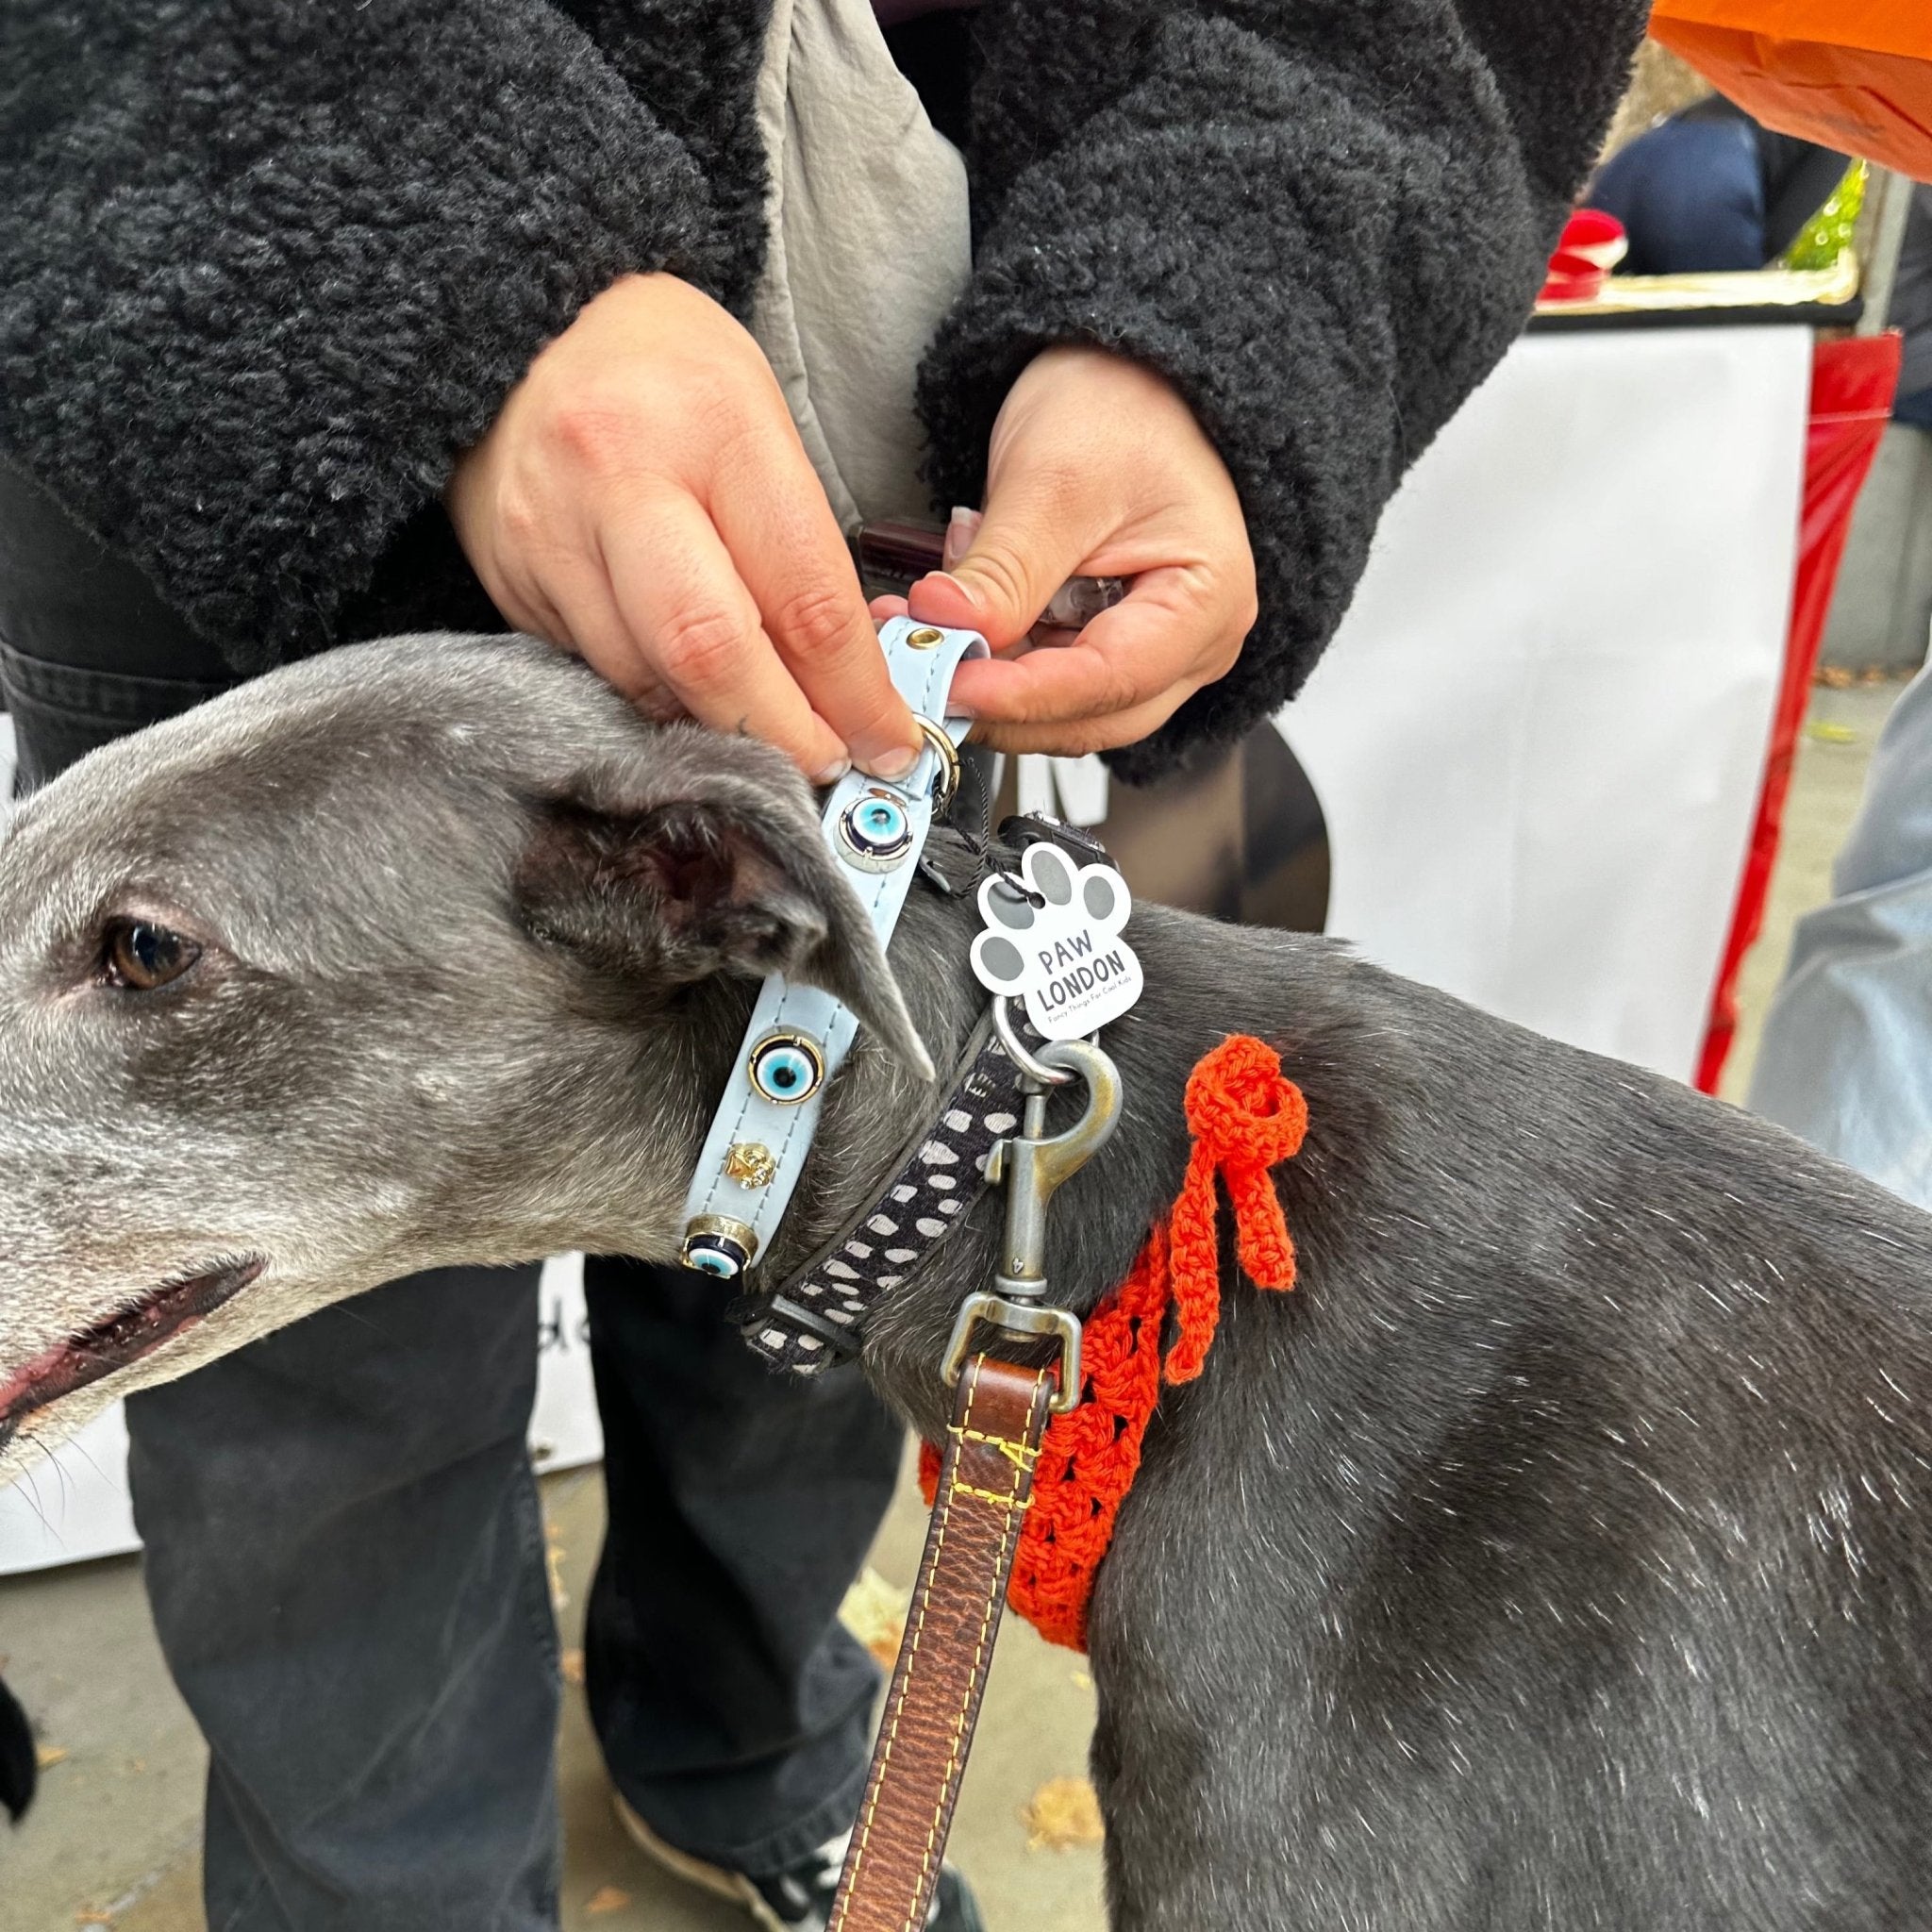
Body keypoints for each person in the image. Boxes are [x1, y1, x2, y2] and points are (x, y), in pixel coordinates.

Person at [0, 2, 1648, 1926]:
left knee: (836, 1204)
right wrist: (443, 222)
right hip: (236, 280)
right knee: (322, 1404)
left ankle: (755, 1754)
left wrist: (1222, 285)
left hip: (878, 313)